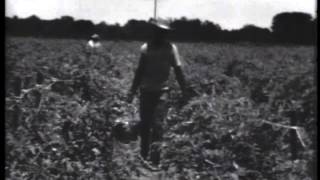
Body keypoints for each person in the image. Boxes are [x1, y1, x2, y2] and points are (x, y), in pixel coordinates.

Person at [127, 18, 192, 167]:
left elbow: (178, 70)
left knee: (158, 125)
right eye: (158, 32)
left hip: (162, 92)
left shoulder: (171, 48)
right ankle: (143, 156)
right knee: (145, 124)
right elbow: (139, 71)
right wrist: (131, 92)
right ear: (154, 32)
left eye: (164, 32)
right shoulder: (145, 48)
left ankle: (155, 160)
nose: (161, 35)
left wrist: (185, 91)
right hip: (145, 91)